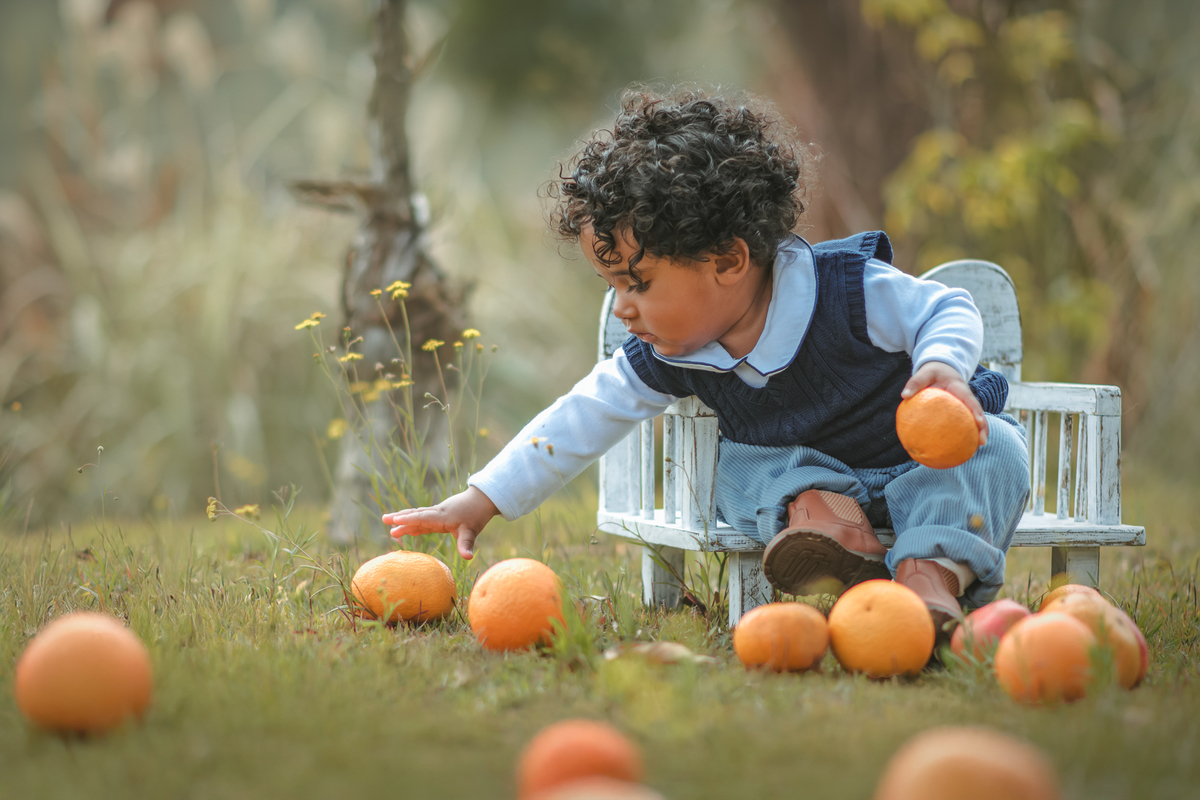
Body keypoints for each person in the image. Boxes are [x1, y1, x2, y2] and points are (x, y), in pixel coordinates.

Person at [382, 86, 1030, 627]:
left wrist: (940, 366)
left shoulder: (848, 291)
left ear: (728, 261)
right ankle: (832, 539)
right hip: (812, 485)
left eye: (638, 284)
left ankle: (929, 582)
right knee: (747, 465)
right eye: (614, 290)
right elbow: (580, 417)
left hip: (921, 459)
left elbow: (947, 309)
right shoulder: (671, 355)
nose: (626, 310)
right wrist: (482, 498)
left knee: (996, 449)